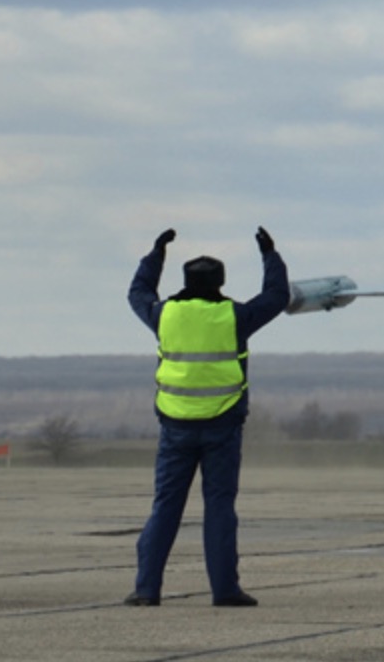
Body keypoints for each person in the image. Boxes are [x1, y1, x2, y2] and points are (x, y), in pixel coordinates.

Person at [123, 226, 289, 608]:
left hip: (175, 426)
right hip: (222, 426)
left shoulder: (164, 315)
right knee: (219, 507)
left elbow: (137, 293)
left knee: (165, 506)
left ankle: (147, 589)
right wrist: (270, 254)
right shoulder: (234, 316)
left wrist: (155, 254)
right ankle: (225, 589)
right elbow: (277, 297)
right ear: (221, 282)